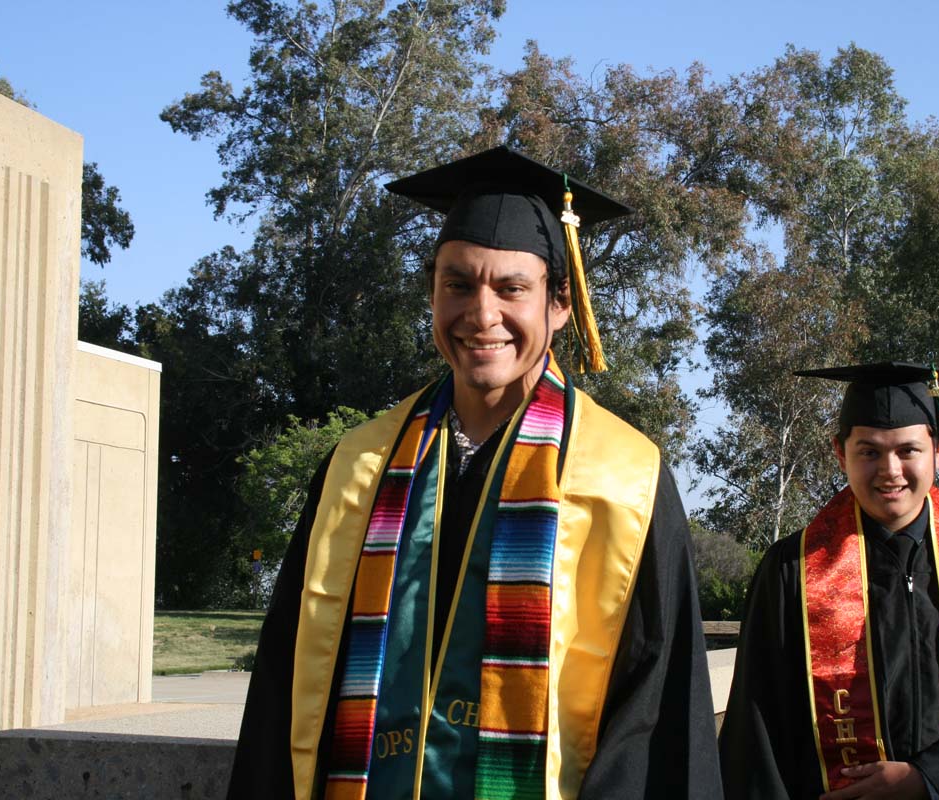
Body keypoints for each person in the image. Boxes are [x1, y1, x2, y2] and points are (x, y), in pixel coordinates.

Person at [227, 146, 721, 800]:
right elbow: (287, 684)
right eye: (457, 284)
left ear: (560, 303)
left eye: (511, 289)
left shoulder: (623, 480)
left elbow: (654, 715)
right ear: (432, 293)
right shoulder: (360, 467)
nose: (481, 316)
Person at [718, 362, 939, 800]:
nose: (890, 471)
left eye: (908, 450)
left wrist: (928, 779)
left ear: (938, 451)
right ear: (840, 453)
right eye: (868, 452)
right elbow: (758, 726)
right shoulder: (792, 567)